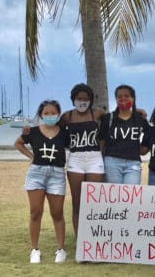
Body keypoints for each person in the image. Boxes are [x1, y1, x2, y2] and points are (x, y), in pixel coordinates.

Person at [15, 100, 68, 264]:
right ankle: (35, 250)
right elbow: (18, 143)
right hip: (36, 174)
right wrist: (31, 156)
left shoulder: (65, 133)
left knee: (57, 213)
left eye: (53, 113)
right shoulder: (33, 131)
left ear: (58, 114)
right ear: (41, 115)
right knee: (35, 212)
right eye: (46, 113)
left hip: (57, 174)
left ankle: (61, 249)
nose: (50, 115)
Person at [58, 83, 105, 237]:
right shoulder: (67, 116)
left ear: (90, 100)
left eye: (85, 99)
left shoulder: (97, 113)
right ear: (73, 99)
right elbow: (54, 130)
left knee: (93, 202)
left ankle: (93, 238)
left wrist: (139, 112)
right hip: (75, 159)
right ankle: (81, 241)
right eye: (79, 98)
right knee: (77, 203)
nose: (82, 101)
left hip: (94, 158)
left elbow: (118, 118)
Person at [98, 84, 150, 185]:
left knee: (131, 197)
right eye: (119, 96)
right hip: (112, 162)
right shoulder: (109, 119)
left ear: (133, 98)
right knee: (115, 197)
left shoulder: (140, 118)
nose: (123, 99)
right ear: (116, 99)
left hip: (133, 163)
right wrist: (99, 163)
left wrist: (144, 148)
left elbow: (149, 133)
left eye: (127, 96)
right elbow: (101, 141)